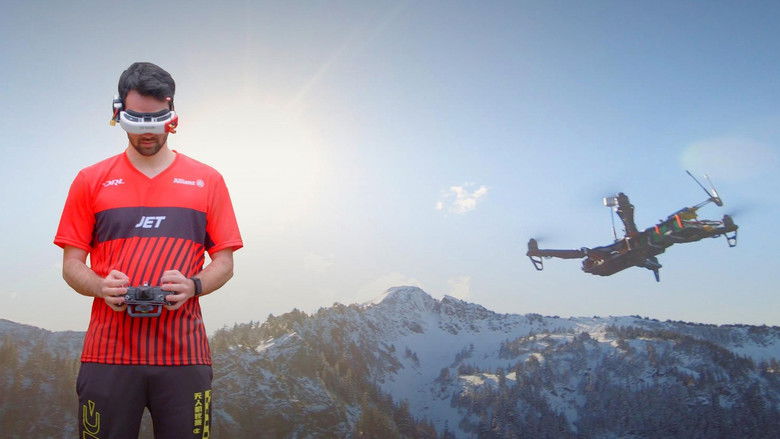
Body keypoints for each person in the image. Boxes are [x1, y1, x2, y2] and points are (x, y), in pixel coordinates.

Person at [54, 62, 242, 438]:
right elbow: (72, 264)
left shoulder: (208, 180)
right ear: (118, 113)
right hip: (108, 353)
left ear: (172, 115)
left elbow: (224, 261)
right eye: (136, 120)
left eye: (155, 119)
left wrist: (193, 285)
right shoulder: (90, 180)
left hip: (184, 354)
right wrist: (100, 286)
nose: (147, 131)